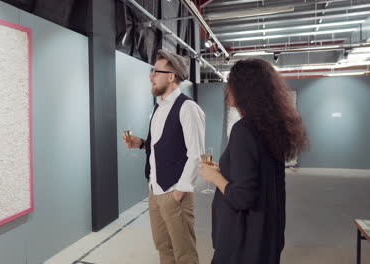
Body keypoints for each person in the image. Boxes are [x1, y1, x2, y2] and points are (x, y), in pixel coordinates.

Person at [199, 58, 308, 264]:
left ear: (245, 88)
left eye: (231, 83)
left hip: (243, 241)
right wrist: (225, 170)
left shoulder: (244, 130)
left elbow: (243, 197)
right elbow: (257, 175)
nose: (227, 89)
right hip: (266, 235)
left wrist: (214, 177)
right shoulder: (271, 128)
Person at [124, 49, 205, 264]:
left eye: (155, 71)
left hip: (174, 193)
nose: (151, 76)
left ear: (171, 76)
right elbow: (162, 145)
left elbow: (195, 154)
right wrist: (141, 143)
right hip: (155, 190)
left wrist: (179, 191)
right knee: (164, 249)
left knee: (184, 254)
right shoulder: (159, 108)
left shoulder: (187, 108)